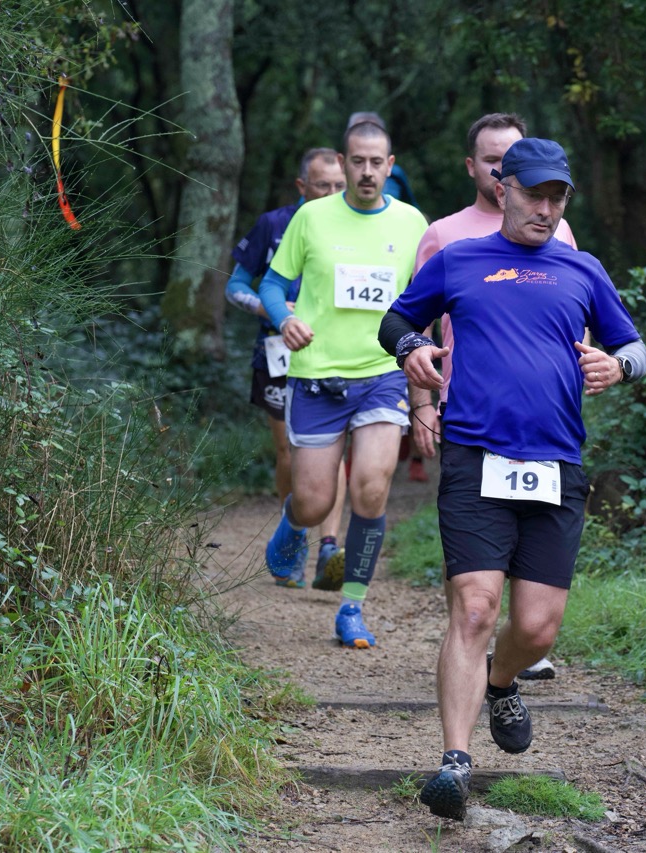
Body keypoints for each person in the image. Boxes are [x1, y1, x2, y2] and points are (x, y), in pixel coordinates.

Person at [379, 137, 646, 820]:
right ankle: (455, 761)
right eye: (535, 195)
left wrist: (620, 365)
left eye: (558, 198)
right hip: (475, 456)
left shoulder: (583, 269)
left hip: (555, 464)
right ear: (505, 190)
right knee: (474, 609)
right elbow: (397, 319)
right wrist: (412, 348)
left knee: (537, 628)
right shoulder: (459, 259)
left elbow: (633, 345)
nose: (546, 209)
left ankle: (502, 681)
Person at [409, 112, 578, 683]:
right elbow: (416, 325)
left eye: (512, 158)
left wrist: (593, 367)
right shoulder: (445, 236)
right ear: (478, 169)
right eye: (493, 160)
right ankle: (470, 631)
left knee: (531, 590)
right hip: (468, 413)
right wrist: (422, 404)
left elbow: (576, 314)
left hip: (547, 430)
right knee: (475, 588)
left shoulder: (559, 232)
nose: (502, 169)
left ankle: (508, 652)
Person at [257, 121, 428, 647]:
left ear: (390, 165)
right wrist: (285, 319)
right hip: (317, 375)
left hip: (382, 373)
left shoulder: (412, 223)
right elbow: (271, 284)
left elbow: (428, 303)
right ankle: (293, 526)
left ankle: (352, 606)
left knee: (371, 489)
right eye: (358, 161)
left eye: (377, 162)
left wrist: (427, 390)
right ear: (343, 161)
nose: (368, 171)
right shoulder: (311, 217)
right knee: (313, 502)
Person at [225, 148, 349, 587]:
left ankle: (330, 545)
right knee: (289, 452)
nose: (331, 193)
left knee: (334, 449)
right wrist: (272, 310)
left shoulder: (353, 223)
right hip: (277, 351)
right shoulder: (274, 224)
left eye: (339, 186)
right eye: (322, 185)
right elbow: (235, 286)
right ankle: (293, 537)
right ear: (302, 186)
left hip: (333, 354)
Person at [347, 110, 428, 483]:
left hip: (394, 265)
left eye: (377, 161)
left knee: (416, 354)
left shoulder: (400, 184)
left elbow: (412, 207)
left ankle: (415, 455)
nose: (367, 169)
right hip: (353, 264)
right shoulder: (341, 183)